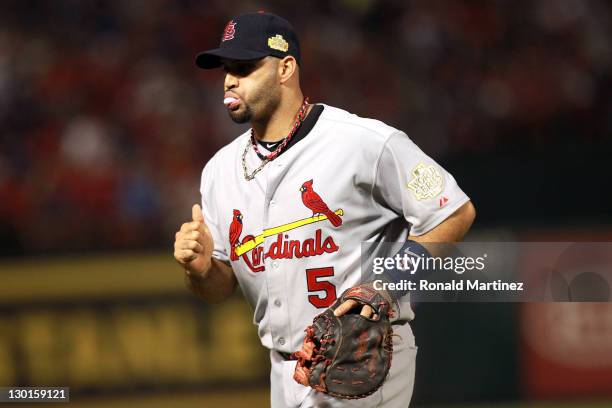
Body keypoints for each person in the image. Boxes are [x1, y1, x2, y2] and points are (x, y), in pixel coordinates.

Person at [173, 11, 475, 408]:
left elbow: (453, 212)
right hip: (283, 371)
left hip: (362, 354)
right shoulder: (219, 171)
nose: (230, 80)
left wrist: (387, 286)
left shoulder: (362, 141)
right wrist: (200, 270)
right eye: (227, 69)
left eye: (245, 67)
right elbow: (219, 288)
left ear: (285, 68)